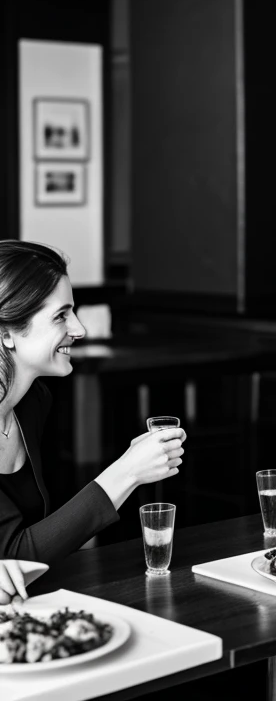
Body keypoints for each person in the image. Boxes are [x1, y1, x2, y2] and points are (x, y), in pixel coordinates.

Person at [0, 240, 186, 564]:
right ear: (6, 333)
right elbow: (14, 555)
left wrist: (133, 469)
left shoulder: (33, 402)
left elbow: (53, 533)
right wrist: (127, 471)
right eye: (61, 316)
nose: (79, 328)